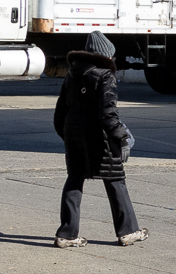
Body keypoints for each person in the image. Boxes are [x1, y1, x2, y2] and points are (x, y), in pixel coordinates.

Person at [52, 33, 146, 247]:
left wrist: (65, 134)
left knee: (75, 178)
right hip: (98, 135)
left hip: (73, 131)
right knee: (115, 180)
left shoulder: (72, 74)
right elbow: (108, 114)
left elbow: (60, 110)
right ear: (105, 54)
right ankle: (128, 231)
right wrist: (121, 138)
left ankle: (66, 234)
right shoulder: (105, 75)